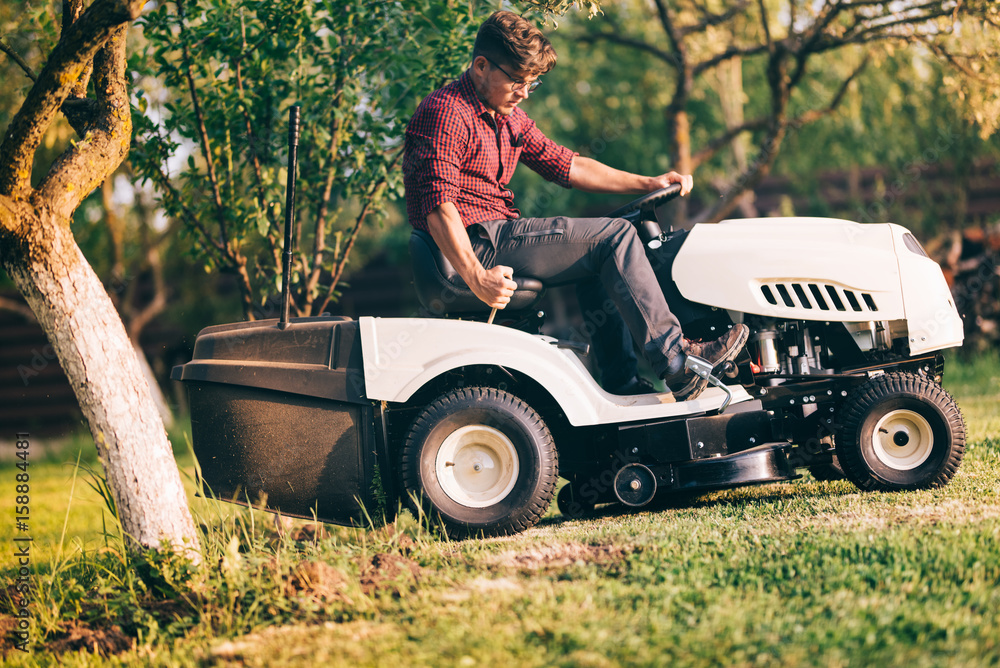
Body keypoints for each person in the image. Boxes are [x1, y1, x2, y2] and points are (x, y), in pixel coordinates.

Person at [403, 10, 747, 400]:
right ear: (481, 66)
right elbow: (439, 208)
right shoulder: (446, 112)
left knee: (602, 251)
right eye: (517, 81)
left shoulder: (508, 117)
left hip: (493, 233)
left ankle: (621, 381)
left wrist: (648, 182)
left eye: (532, 84)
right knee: (614, 236)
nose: (523, 93)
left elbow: (567, 165)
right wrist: (477, 278)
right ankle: (676, 362)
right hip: (475, 241)